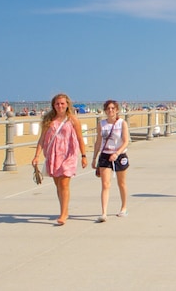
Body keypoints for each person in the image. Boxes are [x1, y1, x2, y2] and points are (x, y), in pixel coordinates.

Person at [32, 93, 88, 225]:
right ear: (53, 105)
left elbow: (80, 138)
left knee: (64, 184)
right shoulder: (48, 120)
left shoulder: (73, 120)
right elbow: (42, 139)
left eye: (62, 103)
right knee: (58, 185)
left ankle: (63, 214)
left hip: (69, 155)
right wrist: (36, 155)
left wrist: (84, 156)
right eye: (57, 104)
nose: (60, 106)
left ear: (67, 104)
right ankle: (64, 209)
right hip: (53, 155)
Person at [93, 99, 131, 222]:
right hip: (105, 155)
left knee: (121, 183)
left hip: (119, 156)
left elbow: (126, 141)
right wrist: (94, 157)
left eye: (113, 108)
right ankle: (104, 212)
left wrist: (117, 153)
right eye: (108, 109)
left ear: (117, 110)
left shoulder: (122, 123)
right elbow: (98, 141)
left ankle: (124, 207)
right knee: (105, 184)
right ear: (105, 110)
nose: (110, 111)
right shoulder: (102, 124)